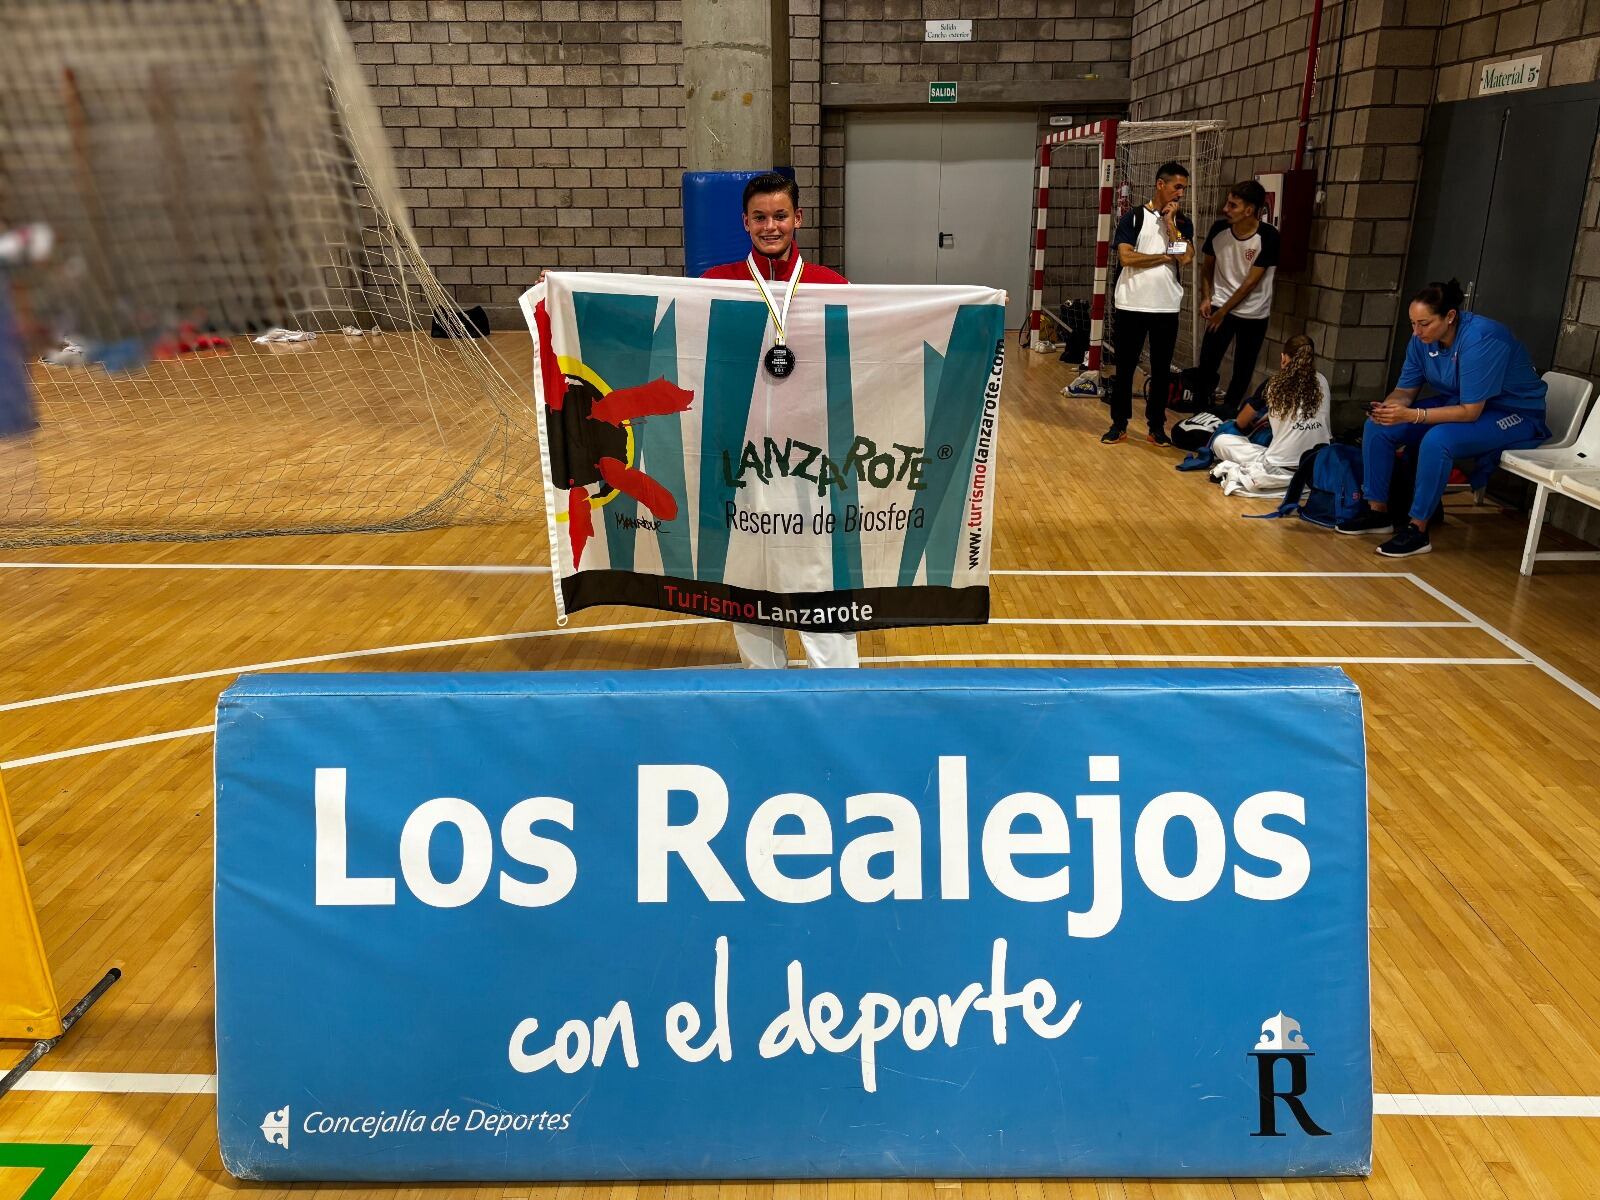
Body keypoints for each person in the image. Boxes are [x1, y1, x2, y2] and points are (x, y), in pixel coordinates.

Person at [701, 172, 856, 669]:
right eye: (761, 217)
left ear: (798, 219)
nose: (771, 226)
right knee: (750, 572)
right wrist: (565, 292)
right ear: (745, 222)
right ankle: (762, 685)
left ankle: (838, 689)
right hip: (741, 459)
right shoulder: (714, 284)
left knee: (818, 572)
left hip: (812, 459)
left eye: (781, 216)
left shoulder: (832, 286)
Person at [1336, 279, 1549, 557]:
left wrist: (1413, 415)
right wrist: (1388, 409)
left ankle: (1418, 530)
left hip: (1513, 413)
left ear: (1450, 317)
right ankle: (1378, 513)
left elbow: (1471, 412)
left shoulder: (1481, 338)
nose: (1416, 331)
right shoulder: (1420, 341)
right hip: (1460, 402)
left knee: (1439, 440)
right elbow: (1404, 390)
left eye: (1424, 324)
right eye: (1412, 323)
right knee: (1378, 427)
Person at [1103, 161, 1194, 447]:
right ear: (1160, 185)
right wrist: (1164, 256)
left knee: (1161, 369)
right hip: (1131, 304)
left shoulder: (1181, 222)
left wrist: (1169, 225)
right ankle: (1119, 424)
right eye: (1177, 187)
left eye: (1184, 188)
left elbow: (1186, 257)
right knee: (1125, 367)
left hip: (1165, 307)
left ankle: (1156, 426)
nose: (1180, 193)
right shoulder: (1133, 218)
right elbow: (1127, 258)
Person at [1207, 333, 1330, 497]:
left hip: (1279, 466)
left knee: (1222, 441)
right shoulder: (1322, 381)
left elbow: (1242, 422)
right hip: (1318, 465)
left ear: (1283, 358)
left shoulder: (1274, 383)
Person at [1195, 180, 1279, 417]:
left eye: (1233, 205)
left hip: (1254, 312)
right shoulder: (1218, 230)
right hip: (1220, 304)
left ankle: (1229, 413)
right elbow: (1206, 267)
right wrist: (1206, 297)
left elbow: (1250, 283)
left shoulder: (1269, 236)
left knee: (1244, 368)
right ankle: (1200, 410)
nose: (1226, 209)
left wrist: (1222, 313)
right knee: (1208, 361)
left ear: (1249, 210)